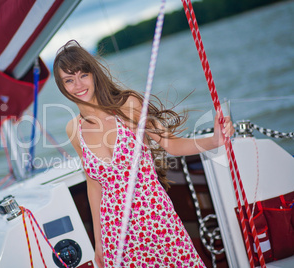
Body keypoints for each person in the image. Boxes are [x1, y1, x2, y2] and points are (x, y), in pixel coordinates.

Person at [53, 40, 234, 268]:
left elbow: (172, 145)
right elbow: (93, 184)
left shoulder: (128, 106)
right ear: (62, 87)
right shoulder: (73, 129)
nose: (78, 84)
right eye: (69, 80)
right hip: (116, 235)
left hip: (156, 218)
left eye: (83, 75)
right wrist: (99, 242)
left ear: (94, 74)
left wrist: (215, 141)